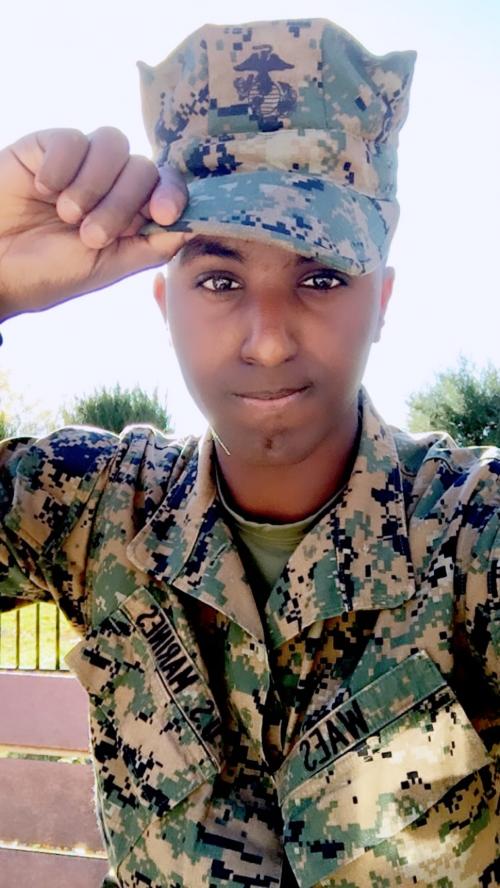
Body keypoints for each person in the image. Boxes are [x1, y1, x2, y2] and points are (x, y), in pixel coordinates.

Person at [0, 17, 498, 888]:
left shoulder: (472, 534)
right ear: (165, 304)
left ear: (382, 303)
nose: (268, 341)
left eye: (321, 276)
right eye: (220, 279)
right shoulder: (93, 512)